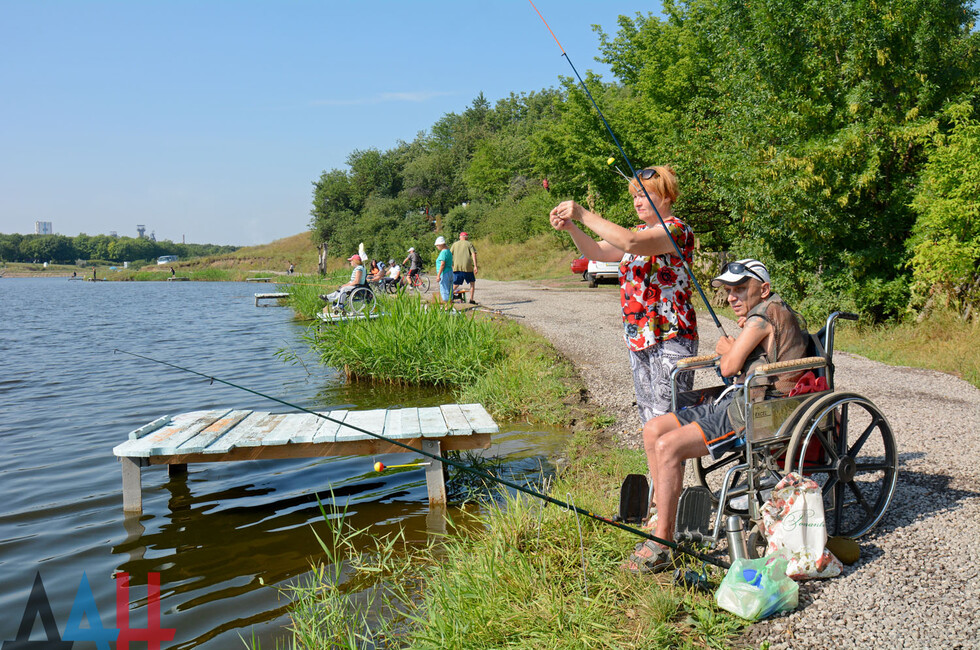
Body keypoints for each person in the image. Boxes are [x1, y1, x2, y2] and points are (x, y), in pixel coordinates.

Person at [624, 259, 809, 573]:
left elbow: (728, 366)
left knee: (668, 446)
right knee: (653, 430)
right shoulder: (760, 316)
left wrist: (728, 348)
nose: (732, 297)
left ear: (764, 289)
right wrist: (733, 348)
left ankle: (663, 540)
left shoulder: (763, 317)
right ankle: (664, 514)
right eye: (728, 291)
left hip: (758, 409)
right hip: (739, 398)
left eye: (740, 289)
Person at [549, 165, 699, 423]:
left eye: (644, 194)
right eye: (634, 196)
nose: (637, 201)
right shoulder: (639, 232)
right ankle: (655, 466)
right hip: (639, 337)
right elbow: (597, 251)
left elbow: (631, 244)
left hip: (671, 337)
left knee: (669, 423)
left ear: (666, 196)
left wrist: (583, 213)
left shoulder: (676, 230)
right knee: (649, 421)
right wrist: (572, 227)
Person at [450, 231, 479, 304]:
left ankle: (449, 298)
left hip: (457, 267)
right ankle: (471, 300)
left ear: (460, 237)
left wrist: (451, 265)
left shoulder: (455, 244)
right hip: (468, 267)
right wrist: (475, 266)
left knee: (456, 284)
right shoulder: (469, 244)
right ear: (466, 238)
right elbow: (473, 254)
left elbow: (449, 255)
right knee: (472, 283)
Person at [434, 236, 453, 307]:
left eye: (437, 245)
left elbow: (442, 264)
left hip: (444, 273)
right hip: (450, 272)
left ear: (441, 245)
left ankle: (446, 307)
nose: (437, 247)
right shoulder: (448, 251)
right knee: (450, 289)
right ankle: (450, 305)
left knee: (444, 290)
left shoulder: (443, 252)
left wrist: (438, 275)